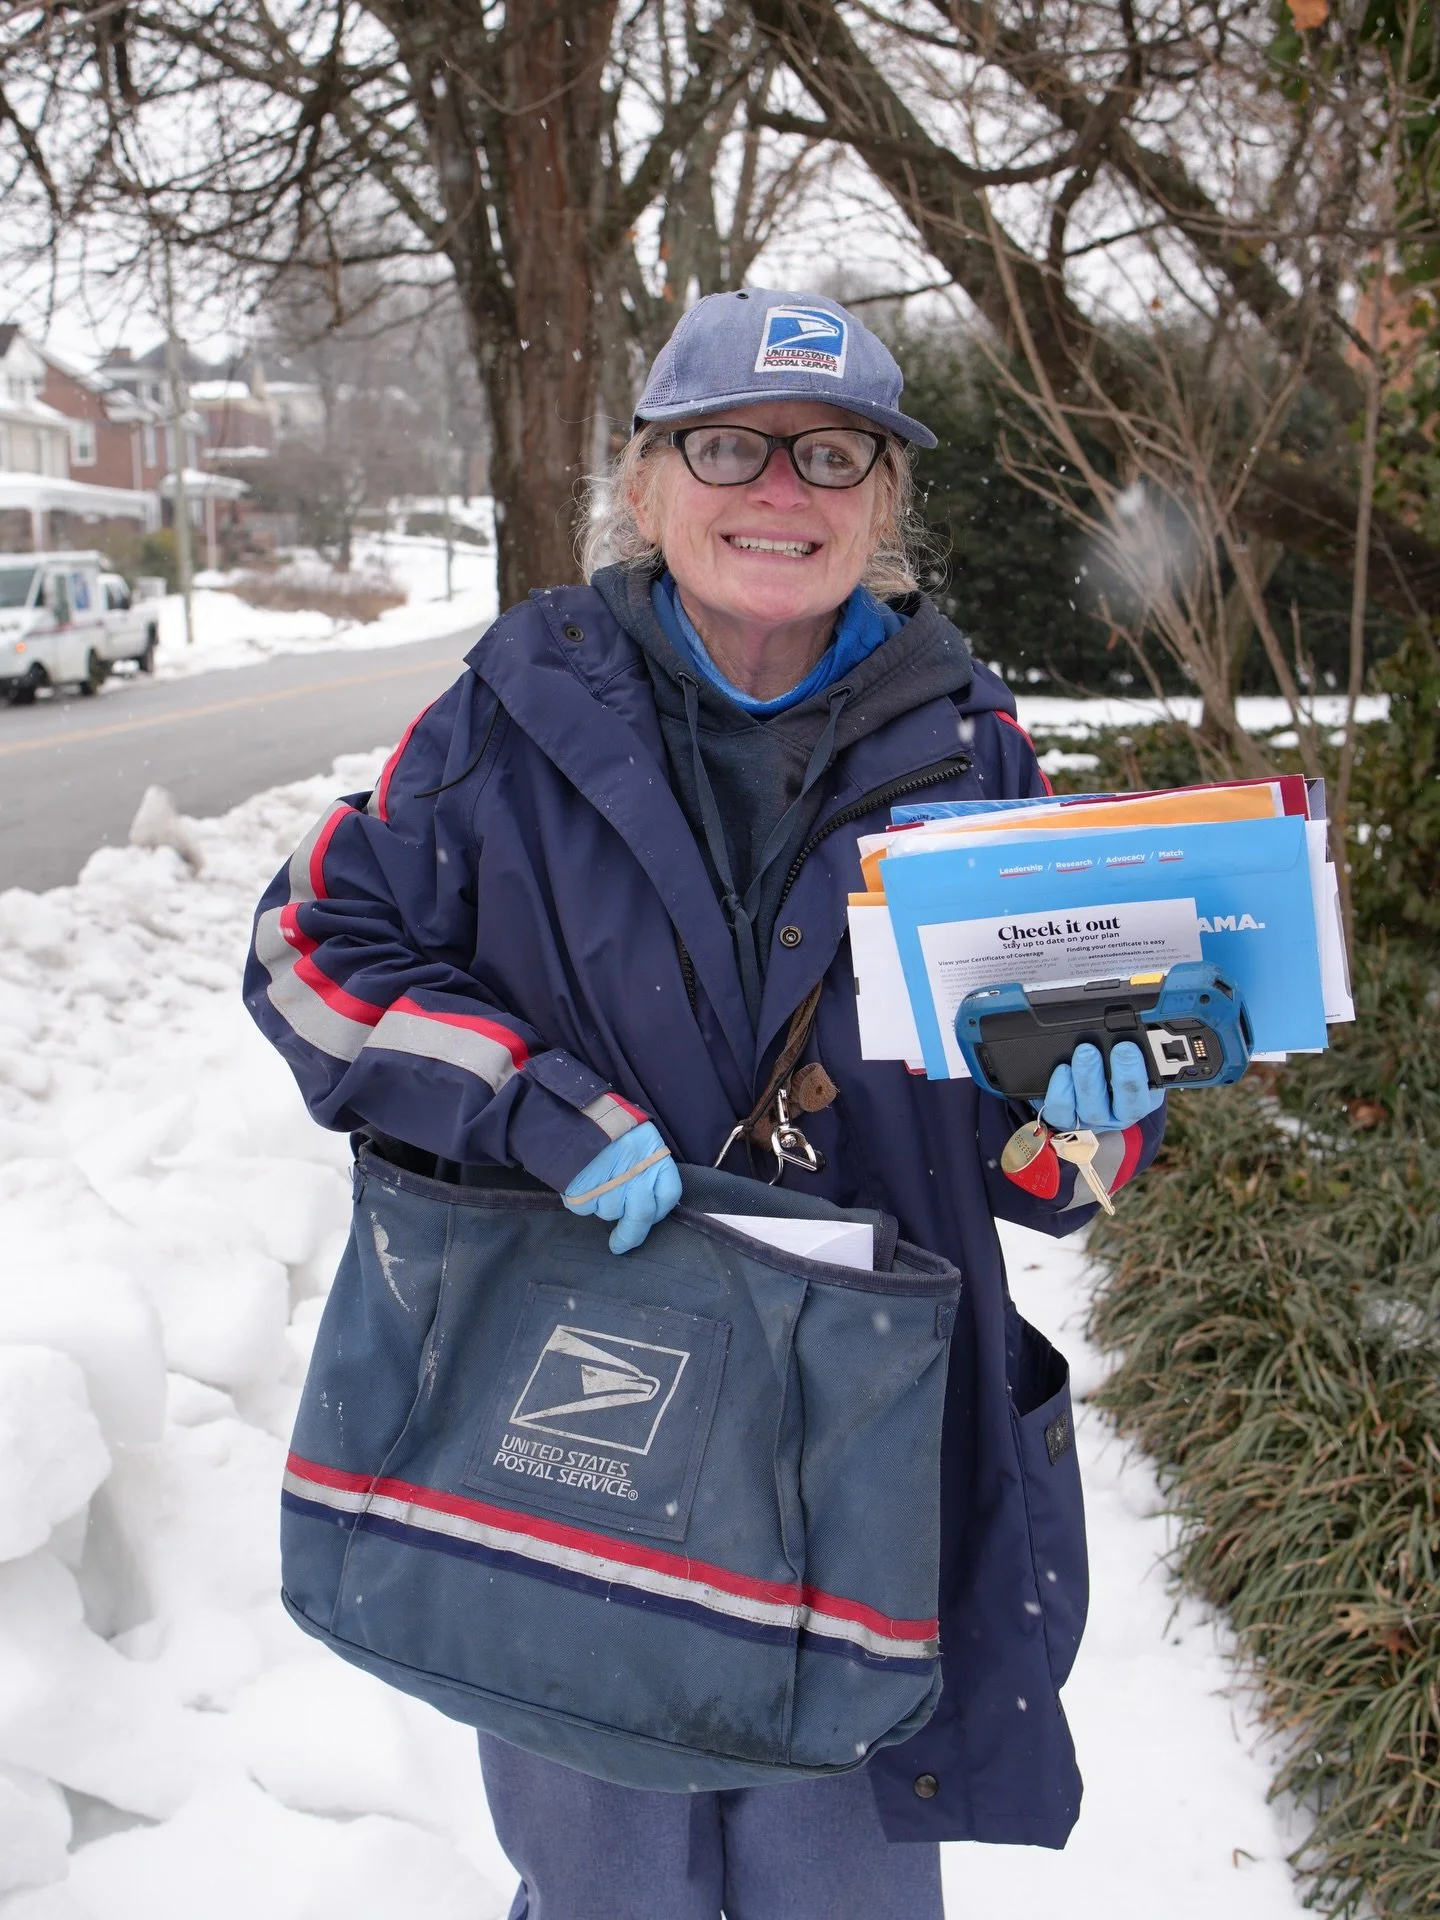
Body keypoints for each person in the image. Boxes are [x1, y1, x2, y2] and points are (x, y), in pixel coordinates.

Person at [246, 289, 1166, 1920]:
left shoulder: (976, 753)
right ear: (650, 480)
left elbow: (1035, 1145)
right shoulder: (508, 720)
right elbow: (312, 944)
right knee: (606, 1879)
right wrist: (528, 1101)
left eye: (833, 455)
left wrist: (1083, 1112)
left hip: (862, 1444)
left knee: (847, 1883)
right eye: (729, 445)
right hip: (577, 1410)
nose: (780, 491)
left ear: (884, 507)